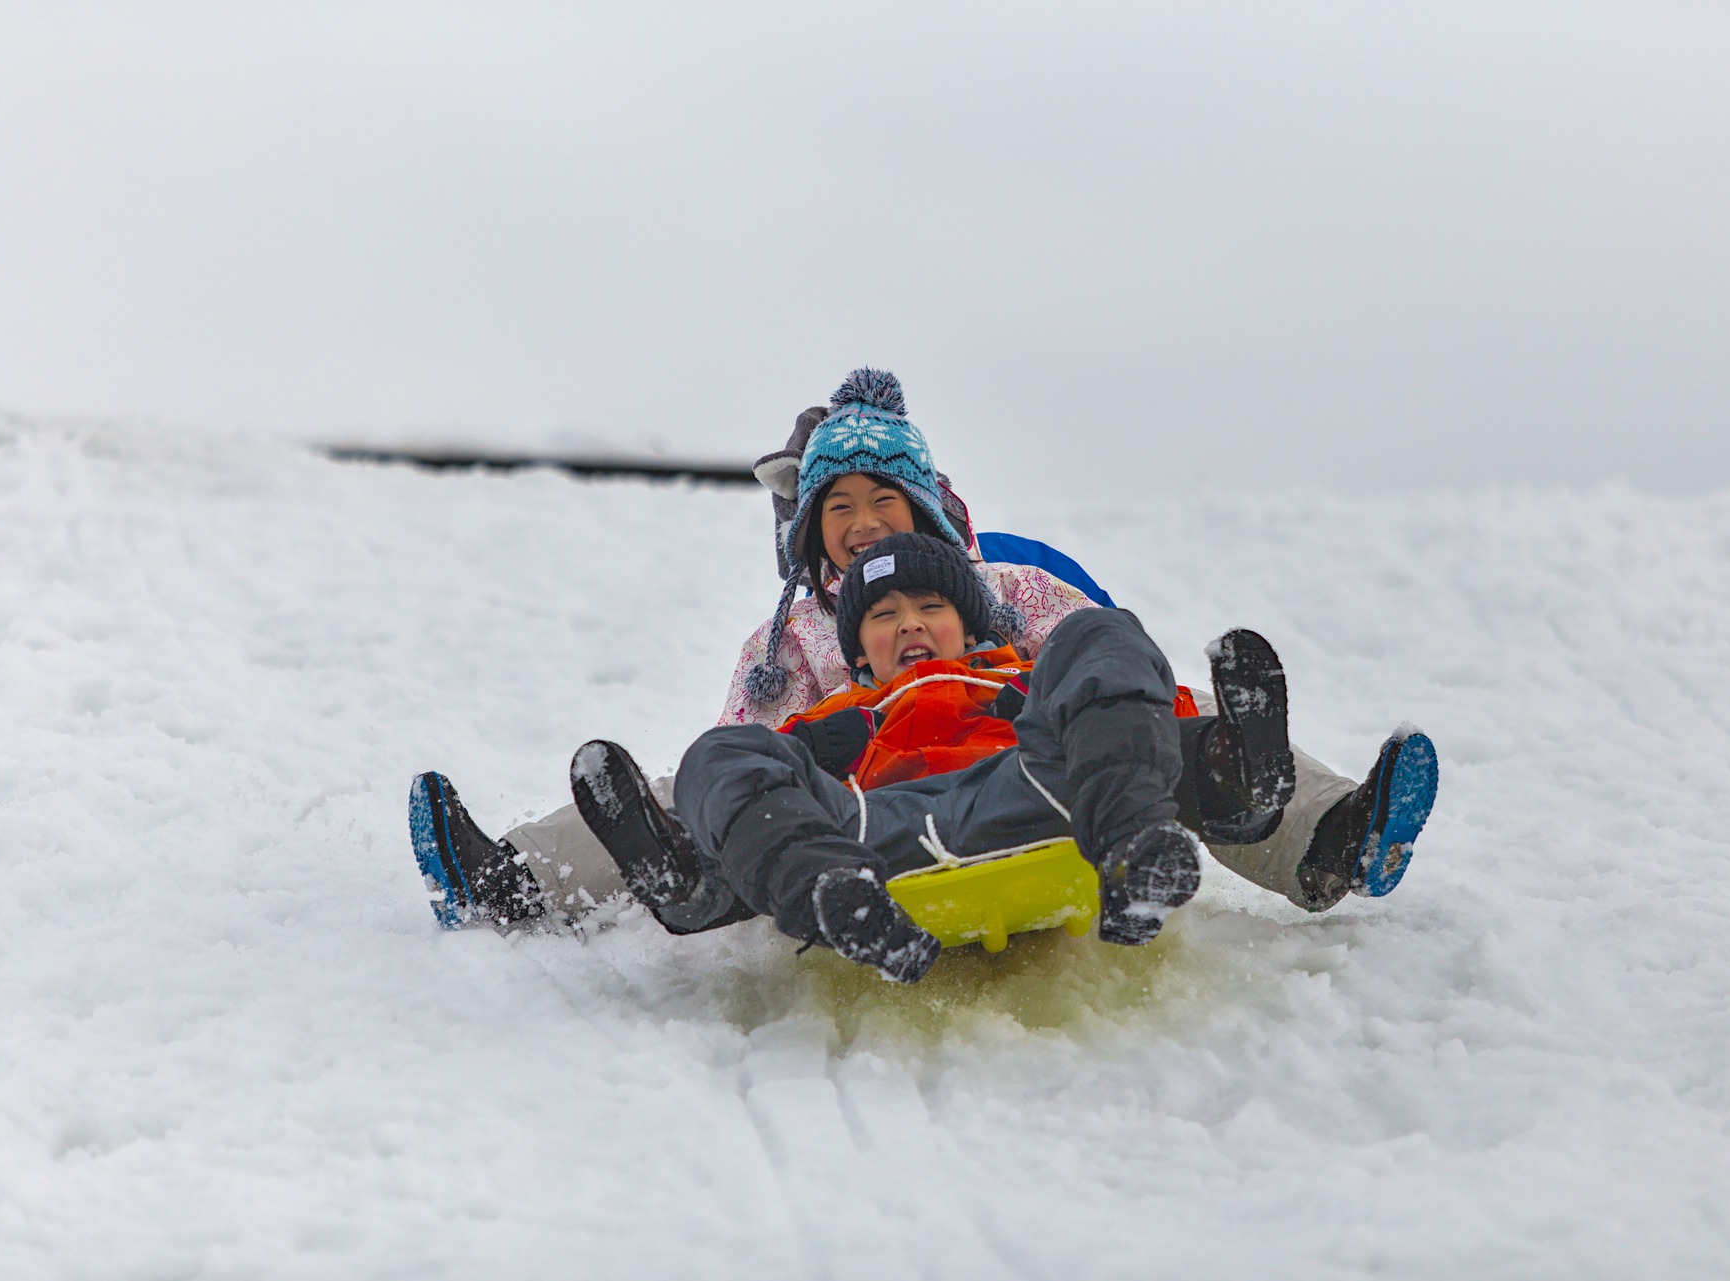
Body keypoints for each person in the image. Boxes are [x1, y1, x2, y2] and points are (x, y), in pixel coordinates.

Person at [411, 369, 1098, 929]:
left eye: (883, 499)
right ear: (808, 529)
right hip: (862, 816)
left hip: (1010, 778)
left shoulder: (1007, 586)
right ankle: (518, 878)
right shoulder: (796, 639)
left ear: (921, 503)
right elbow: (743, 755)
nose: (863, 524)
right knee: (684, 788)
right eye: (837, 507)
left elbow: (1102, 667)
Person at [568, 533, 1305, 968]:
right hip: (872, 838)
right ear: (859, 651)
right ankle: (775, 891)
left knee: (1103, 636)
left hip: (1034, 795)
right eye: (884, 616)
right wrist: (794, 757)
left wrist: (1197, 747)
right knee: (720, 755)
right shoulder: (840, 713)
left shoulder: (1020, 679)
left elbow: (1141, 712)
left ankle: (1189, 809)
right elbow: (756, 779)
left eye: (931, 607)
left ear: (969, 624)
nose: (910, 623)